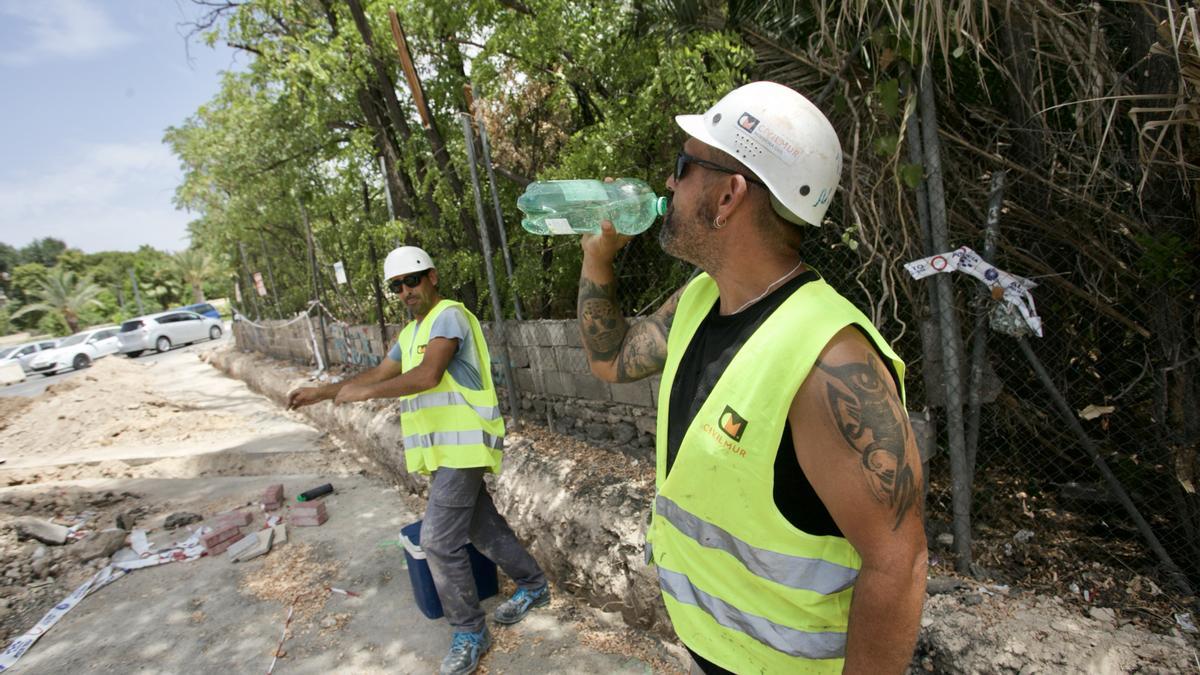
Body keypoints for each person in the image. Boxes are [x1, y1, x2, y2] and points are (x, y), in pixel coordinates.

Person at [576, 82, 927, 673]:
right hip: (712, 650)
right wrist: (597, 260)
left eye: (684, 167)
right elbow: (610, 358)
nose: (668, 183)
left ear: (728, 196)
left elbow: (900, 562)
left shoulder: (829, 357)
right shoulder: (698, 299)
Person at [288, 246, 549, 675]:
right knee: (480, 526)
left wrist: (364, 394)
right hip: (446, 450)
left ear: (433, 277)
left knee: (437, 541)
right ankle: (534, 584)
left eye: (412, 280)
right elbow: (379, 372)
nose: (406, 291)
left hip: (464, 447)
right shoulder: (410, 333)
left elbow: (428, 375)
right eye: (397, 286)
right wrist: (325, 391)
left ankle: (469, 631)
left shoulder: (449, 315)